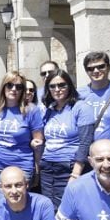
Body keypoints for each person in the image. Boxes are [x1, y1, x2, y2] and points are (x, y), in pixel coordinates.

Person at [39, 70, 94, 210]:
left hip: (68, 166)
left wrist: (75, 174)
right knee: (49, 208)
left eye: (62, 85)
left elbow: (85, 142)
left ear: (69, 85)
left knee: (67, 208)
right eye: (52, 86)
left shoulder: (81, 107)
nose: (57, 89)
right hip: (47, 166)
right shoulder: (49, 110)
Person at [0, 71, 44, 197]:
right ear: (3, 87)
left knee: (18, 208)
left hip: (21, 168)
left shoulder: (31, 111)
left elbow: (38, 143)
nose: (14, 89)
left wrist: (37, 168)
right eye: (10, 85)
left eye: (18, 87)